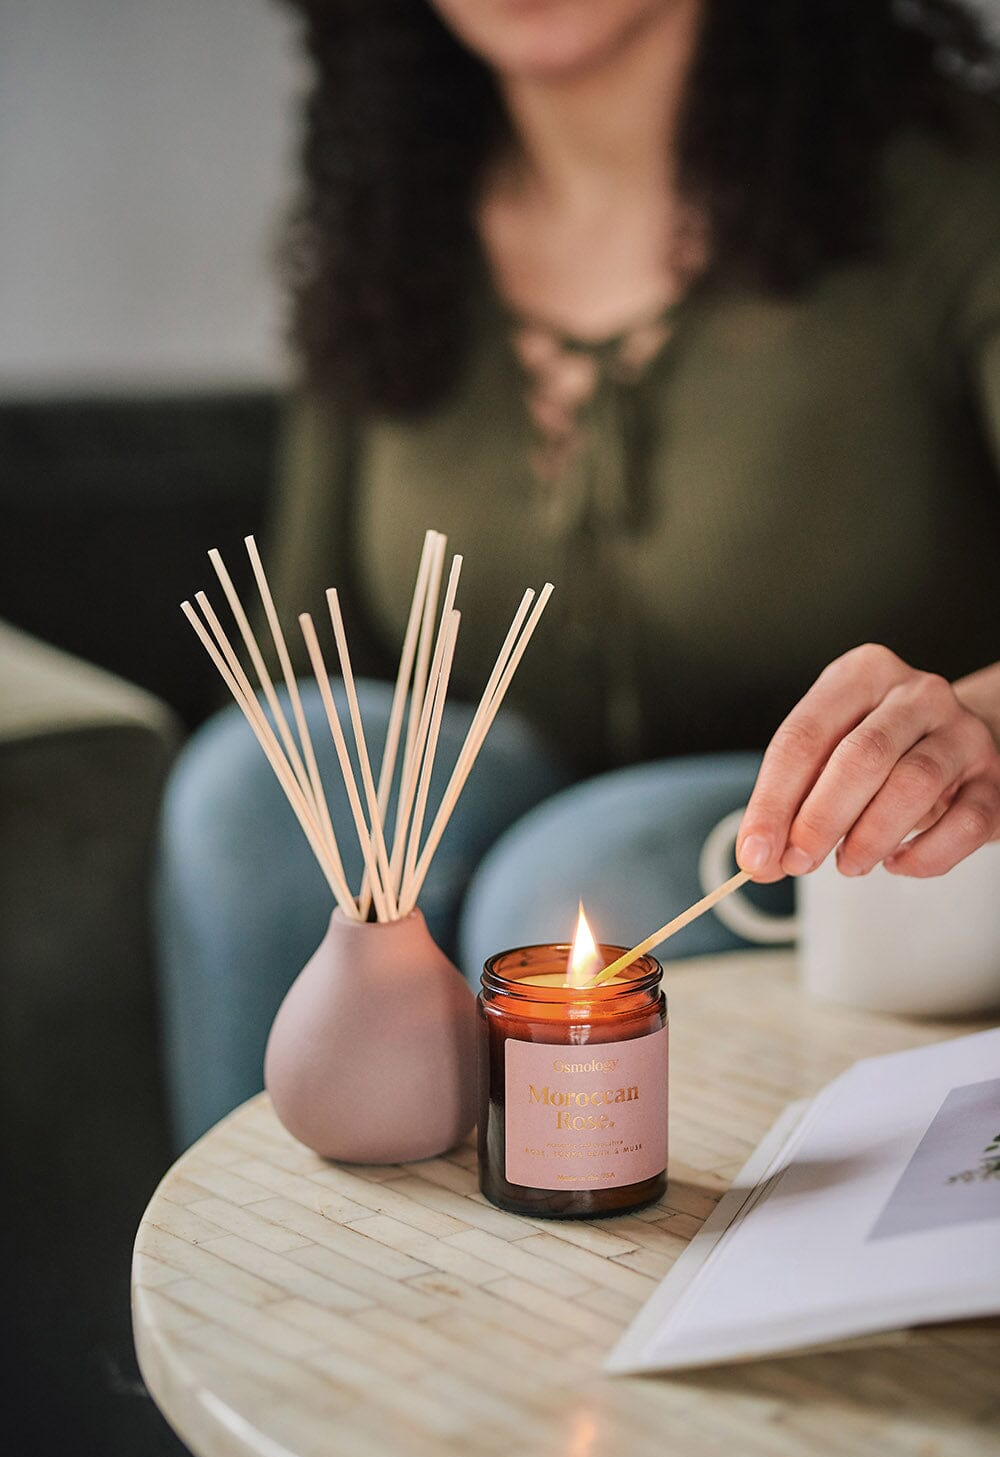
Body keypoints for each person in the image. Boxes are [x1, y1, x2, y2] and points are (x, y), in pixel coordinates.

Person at [158, 0, 1000, 1144]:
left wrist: (972, 723)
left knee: (585, 883)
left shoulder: (950, 196)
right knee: (260, 793)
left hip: (847, 862)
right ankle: (261, 1294)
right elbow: (303, 665)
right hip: (493, 809)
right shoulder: (394, 226)